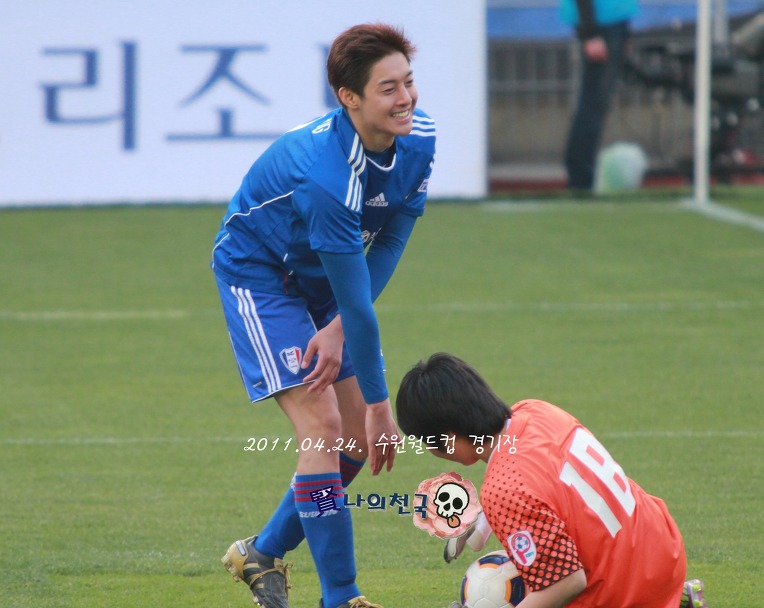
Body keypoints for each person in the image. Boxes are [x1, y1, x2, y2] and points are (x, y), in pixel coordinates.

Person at [212, 23, 435, 608]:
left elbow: (385, 247)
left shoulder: (419, 137)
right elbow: (356, 300)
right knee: (328, 427)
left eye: (408, 82)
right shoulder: (327, 178)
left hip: (322, 278)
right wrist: (384, 408)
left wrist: (336, 328)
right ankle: (342, 598)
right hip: (262, 277)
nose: (406, 98)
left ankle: (260, 554)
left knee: (358, 442)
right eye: (388, 88)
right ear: (349, 97)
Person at [396, 352, 708, 608]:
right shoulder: (535, 412)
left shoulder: (504, 488)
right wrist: (483, 522)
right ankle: (676, 597)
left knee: (542, 582)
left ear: (449, 439)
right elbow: (544, 487)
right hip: (663, 551)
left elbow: (567, 582)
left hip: (625, 592)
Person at [561, 0, 639, 192]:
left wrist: (625, 30)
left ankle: (581, 175)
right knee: (593, 104)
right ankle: (580, 177)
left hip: (612, 22)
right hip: (601, 24)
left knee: (596, 104)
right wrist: (591, 33)